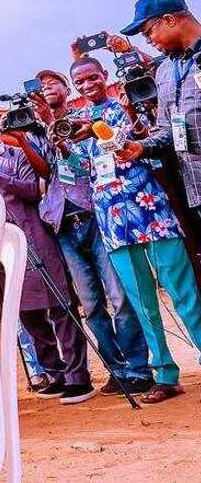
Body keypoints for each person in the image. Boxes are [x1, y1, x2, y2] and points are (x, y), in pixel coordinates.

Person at [68, 54, 201, 403]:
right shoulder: (76, 124)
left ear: (104, 76)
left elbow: (134, 143)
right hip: (112, 220)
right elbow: (83, 169)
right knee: (142, 303)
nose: (87, 85)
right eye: (80, 82)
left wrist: (97, 127)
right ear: (75, 88)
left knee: (183, 293)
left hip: (150, 211)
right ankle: (166, 375)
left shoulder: (127, 105)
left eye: (91, 78)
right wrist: (64, 145)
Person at [0, 109, 94, 404]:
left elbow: (34, 190)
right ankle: (54, 373)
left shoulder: (15, 153)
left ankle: (78, 378)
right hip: (0, 245)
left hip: (35, 235)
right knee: (26, 312)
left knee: (60, 305)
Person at [36, 68, 152, 395]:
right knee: (91, 304)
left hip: (96, 214)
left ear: (65, 89)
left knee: (119, 296)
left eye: (52, 85)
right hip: (62, 223)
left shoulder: (86, 116)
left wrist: (72, 138)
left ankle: (137, 368)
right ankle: (117, 371)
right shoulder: (36, 127)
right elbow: (51, 173)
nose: (47, 91)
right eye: (41, 88)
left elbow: (94, 164)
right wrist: (52, 140)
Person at [121, 0, 201, 250]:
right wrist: (142, 147)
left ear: (169, 19)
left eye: (148, 32)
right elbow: (168, 129)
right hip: (196, 187)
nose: (149, 41)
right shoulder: (164, 70)